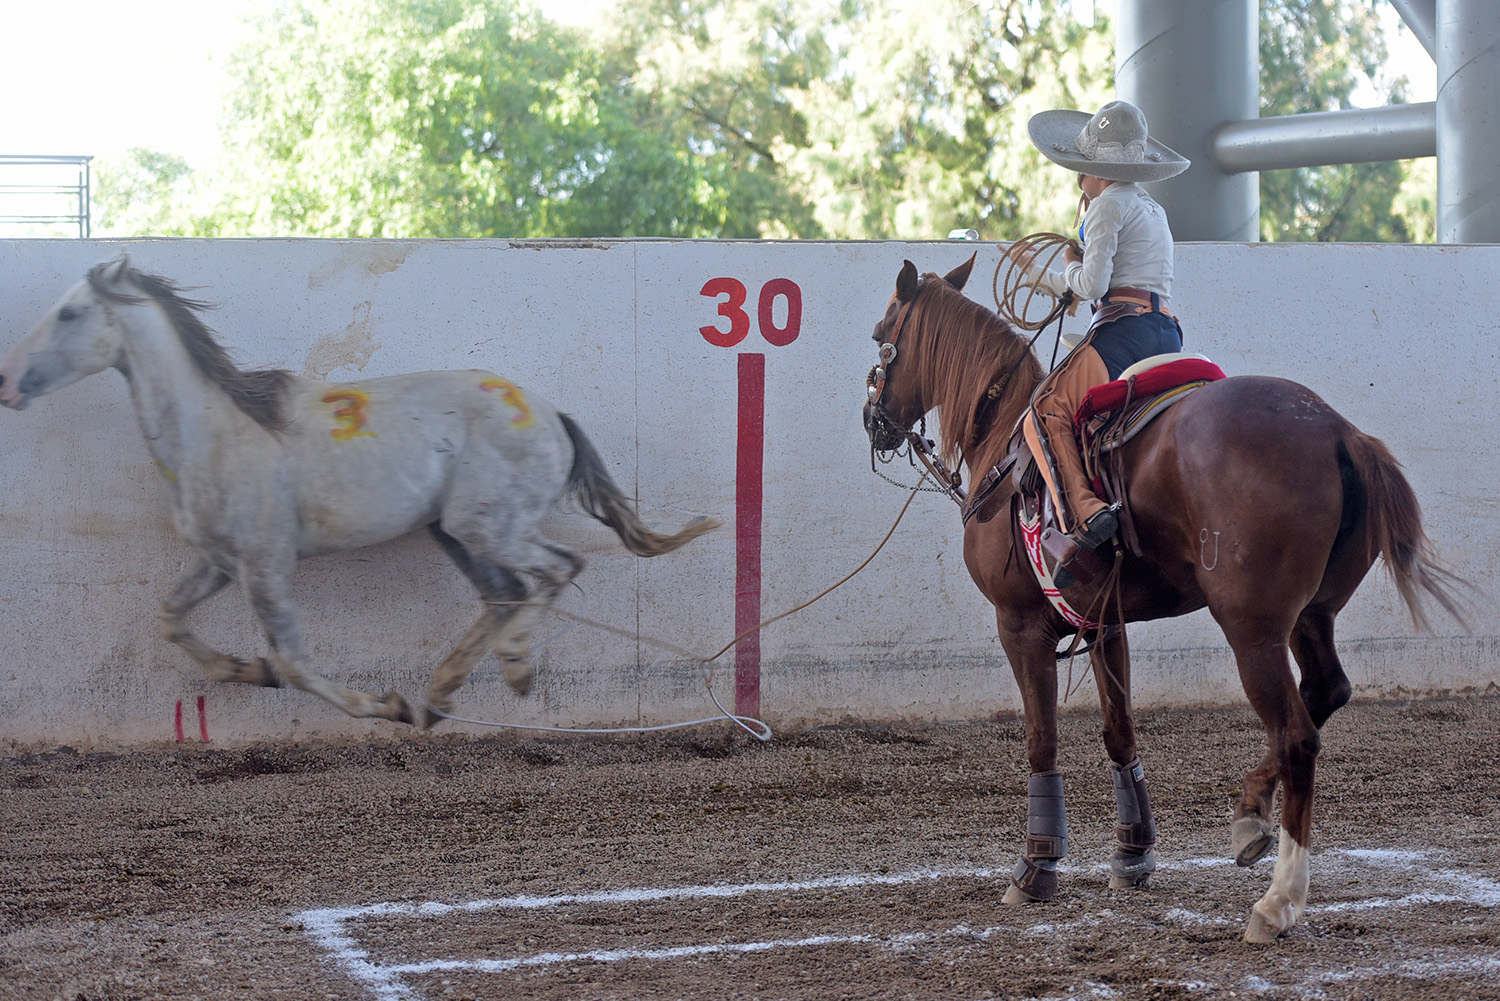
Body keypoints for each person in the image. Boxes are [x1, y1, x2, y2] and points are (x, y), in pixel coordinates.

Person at [1011, 99, 1189, 575]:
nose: (1078, 182)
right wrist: (1058, 275)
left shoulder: (1105, 206)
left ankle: (1081, 517)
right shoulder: (1152, 208)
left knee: (1044, 410)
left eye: (1081, 171)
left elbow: (1092, 286)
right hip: (1164, 332)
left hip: (1123, 333)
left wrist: (1068, 264)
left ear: (1098, 173)